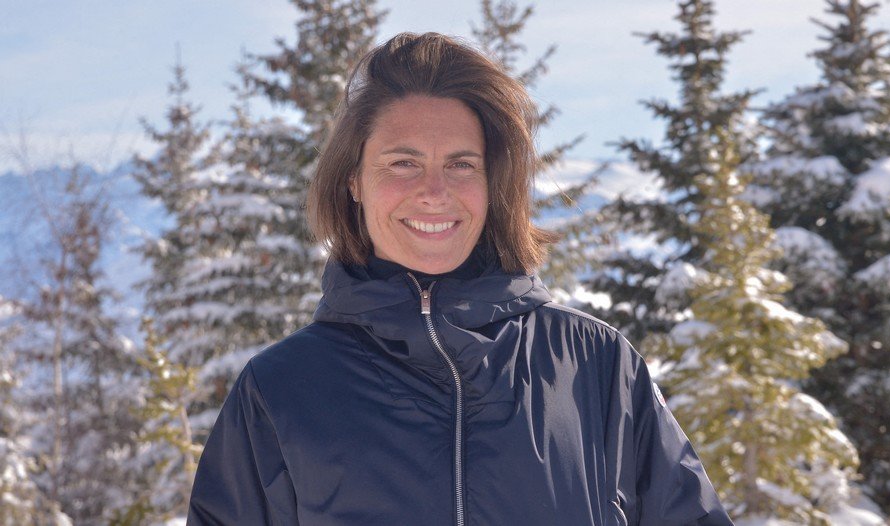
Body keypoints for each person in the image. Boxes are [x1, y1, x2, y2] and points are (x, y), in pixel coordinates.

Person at [188, 32, 732, 526]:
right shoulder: (281, 389)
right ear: (353, 179)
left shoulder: (595, 366)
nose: (434, 192)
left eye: (461, 164)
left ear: (493, 182)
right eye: (403, 163)